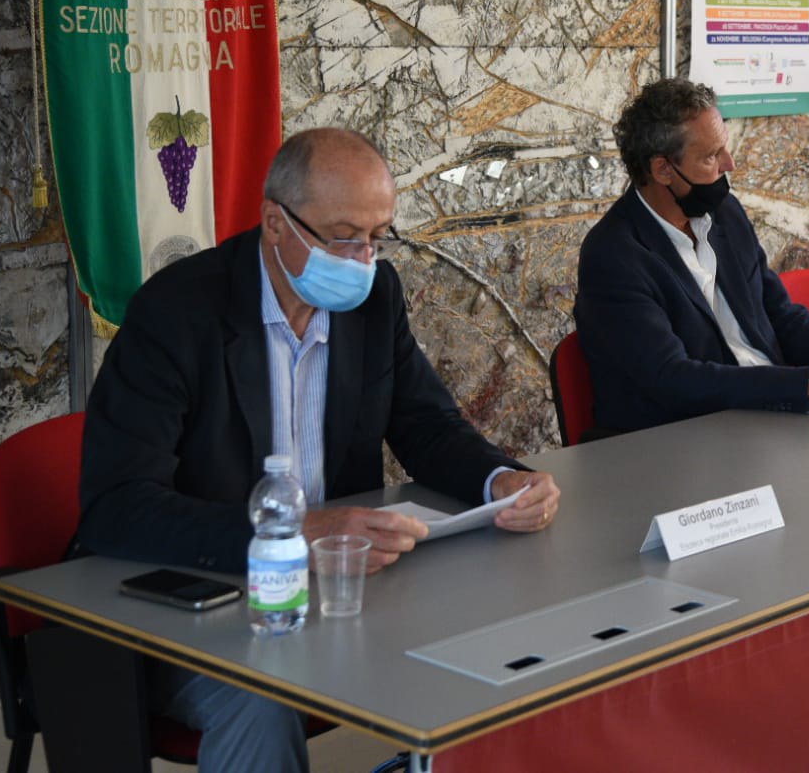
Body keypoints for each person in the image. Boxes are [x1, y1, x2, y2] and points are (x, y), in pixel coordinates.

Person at [77, 128, 561, 773]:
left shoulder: (374, 298)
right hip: (201, 596)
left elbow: (427, 426)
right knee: (259, 700)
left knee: (494, 636)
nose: (363, 259)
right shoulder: (176, 313)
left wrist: (501, 479)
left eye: (378, 236)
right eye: (342, 236)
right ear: (275, 223)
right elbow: (117, 506)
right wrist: (297, 533)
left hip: (340, 588)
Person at [574, 78, 809, 432]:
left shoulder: (725, 214)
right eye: (711, 156)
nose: (729, 164)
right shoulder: (614, 255)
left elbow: (781, 317)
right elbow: (672, 379)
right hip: (684, 437)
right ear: (663, 169)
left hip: (770, 417)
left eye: (725, 148)